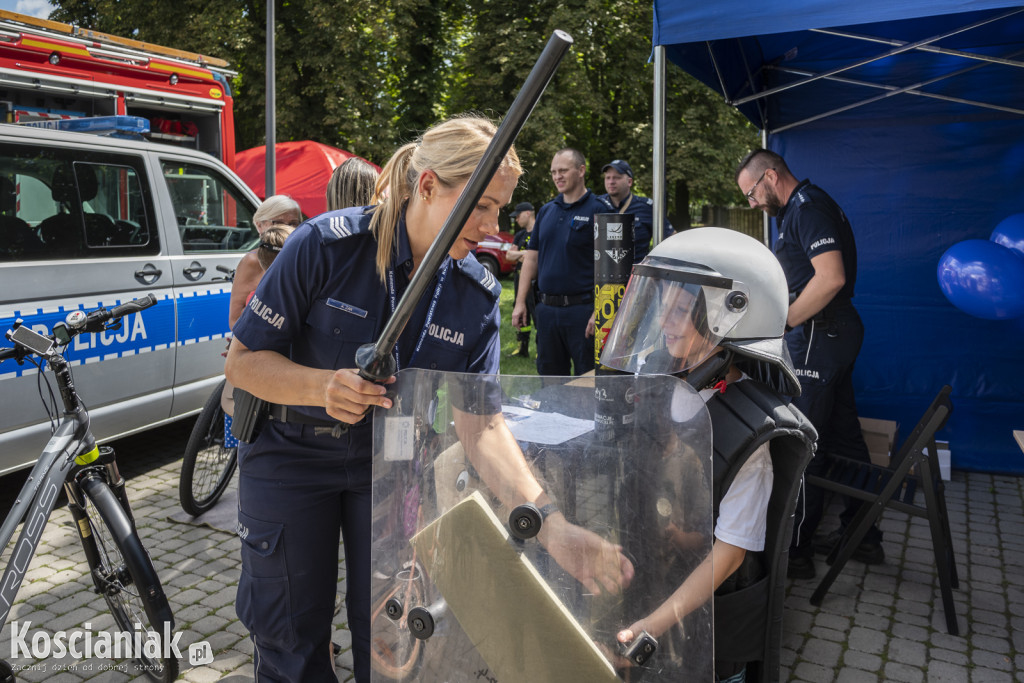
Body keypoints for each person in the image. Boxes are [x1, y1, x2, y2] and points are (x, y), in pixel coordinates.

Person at [225, 115, 632, 683]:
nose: (493, 227)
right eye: (482, 206)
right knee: (289, 639)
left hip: (387, 472)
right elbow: (242, 364)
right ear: (426, 185)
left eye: (501, 208)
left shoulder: (475, 294)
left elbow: (483, 428)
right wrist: (321, 386)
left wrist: (552, 524)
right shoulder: (323, 246)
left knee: (388, 638)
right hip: (291, 458)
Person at [600, 227, 815, 682]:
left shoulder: (748, 435)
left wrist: (651, 627)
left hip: (703, 637)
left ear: (733, 316)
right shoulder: (667, 387)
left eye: (682, 309)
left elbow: (730, 554)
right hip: (652, 594)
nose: (665, 323)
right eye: (663, 306)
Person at [735, 148, 883, 580]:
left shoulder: (807, 207)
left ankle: (794, 552)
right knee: (845, 437)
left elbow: (831, 277)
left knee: (805, 443)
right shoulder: (801, 209)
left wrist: (785, 320)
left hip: (822, 332)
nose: (752, 203)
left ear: (770, 176)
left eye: (751, 193)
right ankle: (863, 536)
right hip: (830, 333)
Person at [512, 148, 613, 376]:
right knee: (550, 382)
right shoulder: (547, 211)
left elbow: (612, 266)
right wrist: (520, 302)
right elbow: (531, 258)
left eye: (563, 170)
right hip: (547, 311)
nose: (557, 176)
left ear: (581, 171)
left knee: (587, 381)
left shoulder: (600, 210)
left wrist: (599, 312)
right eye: (554, 171)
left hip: (583, 312)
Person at [228, 195, 302, 327]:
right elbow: (235, 320)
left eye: (293, 223)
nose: (287, 229)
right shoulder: (252, 261)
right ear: (259, 225)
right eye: (278, 222)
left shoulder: (304, 258)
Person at [597, 159, 673, 262]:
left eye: (616, 178)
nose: (611, 182)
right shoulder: (597, 205)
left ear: (629, 182)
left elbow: (671, 238)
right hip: (602, 273)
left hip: (636, 274)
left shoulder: (646, 207)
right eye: (608, 178)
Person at [506, 201, 536, 358]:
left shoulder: (540, 231)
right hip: (519, 278)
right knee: (520, 312)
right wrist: (527, 255)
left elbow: (539, 255)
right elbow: (509, 255)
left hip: (535, 281)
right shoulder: (520, 235)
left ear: (527, 213)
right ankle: (522, 347)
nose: (516, 220)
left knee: (536, 312)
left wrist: (525, 255)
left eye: (517, 216)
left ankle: (541, 349)